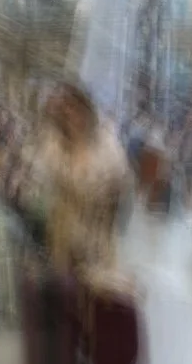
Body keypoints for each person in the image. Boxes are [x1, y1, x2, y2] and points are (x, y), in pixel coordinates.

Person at [36, 81, 130, 273]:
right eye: (64, 109)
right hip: (63, 237)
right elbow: (41, 182)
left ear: (87, 108)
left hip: (98, 239)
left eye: (75, 107)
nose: (70, 114)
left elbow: (121, 185)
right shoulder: (54, 146)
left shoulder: (107, 143)